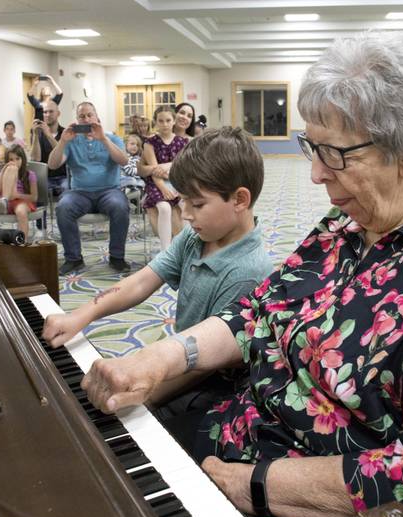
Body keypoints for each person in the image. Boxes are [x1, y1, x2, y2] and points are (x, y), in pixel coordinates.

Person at [79, 31, 403, 517]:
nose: (313, 174)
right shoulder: (349, 222)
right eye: (311, 146)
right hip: (253, 432)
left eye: (334, 154)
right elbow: (259, 311)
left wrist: (260, 484)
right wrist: (160, 358)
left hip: (333, 499)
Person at [44, 126, 274, 413]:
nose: (185, 212)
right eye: (183, 199)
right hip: (179, 360)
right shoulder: (197, 236)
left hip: (211, 388)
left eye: (198, 203)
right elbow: (143, 280)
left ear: (240, 199)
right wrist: (82, 313)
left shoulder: (249, 273)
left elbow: (206, 364)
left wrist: (146, 396)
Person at [47, 101, 131, 275]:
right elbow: (53, 164)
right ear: (77, 121)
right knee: (63, 207)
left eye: (89, 115)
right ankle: (74, 259)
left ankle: (117, 257)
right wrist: (62, 141)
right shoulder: (71, 141)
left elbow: (124, 161)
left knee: (120, 206)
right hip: (80, 193)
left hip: (109, 191)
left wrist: (104, 139)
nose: (86, 119)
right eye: (81, 116)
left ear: (97, 117)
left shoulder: (112, 138)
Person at [138, 106, 187, 251]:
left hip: (178, 181)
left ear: (174, 122)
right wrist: (164, 188)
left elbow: (182, 167)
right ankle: (166, 250)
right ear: (155, 122)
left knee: (187, 206)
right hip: (156, 184)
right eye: (161, 121)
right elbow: (155, 170)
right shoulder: (149, 143)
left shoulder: (182, 142)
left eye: (168, 120)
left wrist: (170, 173)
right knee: (164, 208)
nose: (164, 124)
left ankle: (184, 246)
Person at [29, 100, 67, 195]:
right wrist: (36, 136)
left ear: (58, 113)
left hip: (63, 177)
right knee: (37, 191)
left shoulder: (65, 133)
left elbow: (63, 154)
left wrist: (48, 134)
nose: (47, 115)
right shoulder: (37, 134)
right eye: (45, 112)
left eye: (51, 111)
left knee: (67, 191)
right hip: (45, 177)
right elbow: (35, 159)